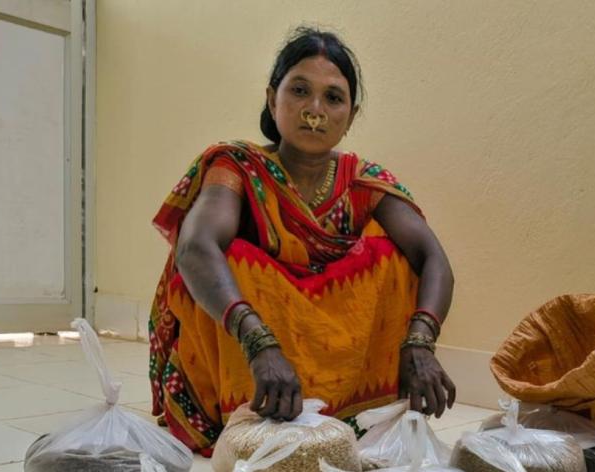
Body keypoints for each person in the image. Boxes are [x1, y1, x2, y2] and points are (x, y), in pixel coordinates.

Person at [148, 27, 456, 454]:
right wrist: (259, 344)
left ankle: (354, 416)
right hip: (255, 359)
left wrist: (421, 341)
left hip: (339, 366)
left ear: (351, 114)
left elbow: (433, 257)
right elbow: (195, 246)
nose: (315, 110)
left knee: (392, 256)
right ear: (272, 99)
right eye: (299, 91)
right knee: (232, 257)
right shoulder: (237, 166)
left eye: (333, 98)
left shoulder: (363, 181)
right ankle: (251, 421)